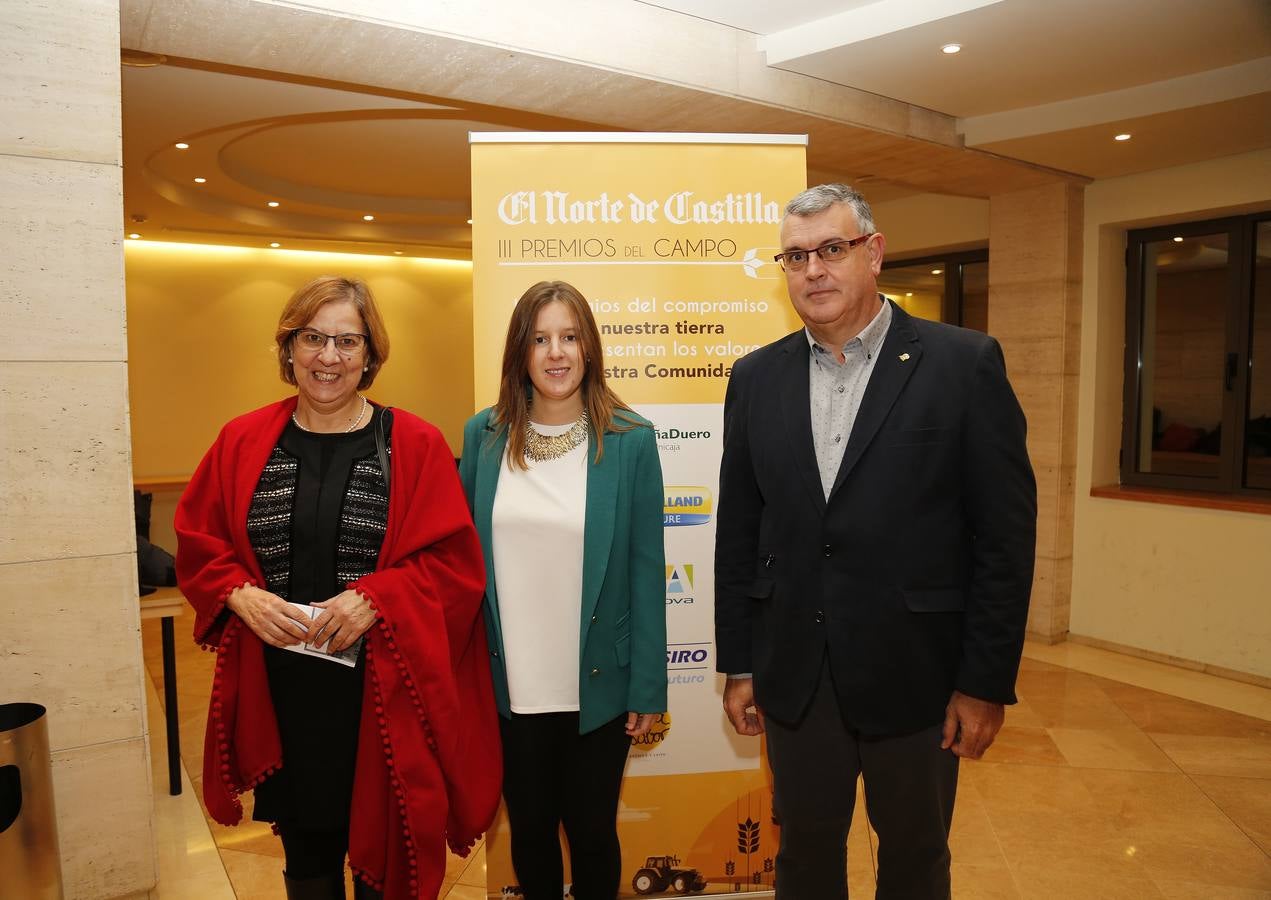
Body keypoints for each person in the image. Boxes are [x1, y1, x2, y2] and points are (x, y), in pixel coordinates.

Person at [714, 184, 1036, 899]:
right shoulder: (755, 377)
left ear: (873, 252)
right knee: (803, 857)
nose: (814, 271)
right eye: (795, 257)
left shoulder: (962, 364)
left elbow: (1003, 539)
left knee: (915, 861)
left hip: (917, 677)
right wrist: (740, 662)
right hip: (798, 675)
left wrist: (982, 683)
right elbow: (738, 529)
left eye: (832, 249)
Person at [175, 275, 501, 900]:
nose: (329, 357)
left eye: (347, 342)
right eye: (313, 339)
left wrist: (377, 597)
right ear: (289, 348)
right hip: (283, 688)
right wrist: (238, 593)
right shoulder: (242, 440)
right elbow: (198, 539)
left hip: (380, 693)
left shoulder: (415, 443)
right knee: (306, 853)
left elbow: (454, 566)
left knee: (386, 854)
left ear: (371, 354)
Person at [458, 280, 667, 900]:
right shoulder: (484, 435)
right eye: (541, 338)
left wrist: (648, 685)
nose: (556, 353)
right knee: (529, 831)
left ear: (590, 348)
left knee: (594, 833)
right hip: (508, 682)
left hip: (598, 684)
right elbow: (464, 560)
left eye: (570, 337)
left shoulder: (630, 440)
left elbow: (644, 569)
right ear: (520, 352)